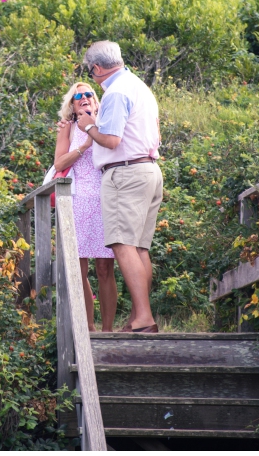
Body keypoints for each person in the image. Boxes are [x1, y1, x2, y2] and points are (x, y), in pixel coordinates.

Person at [76, 41, 162, 334]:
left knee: (121, 244)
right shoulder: (139, 86)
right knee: (139, 247)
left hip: (125, 174)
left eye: (92, 72)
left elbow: (111, 140)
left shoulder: (115, 92)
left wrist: (88, 125)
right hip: (148, 169)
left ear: (97, 69)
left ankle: (144, 319)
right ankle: (141, 316)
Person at [54, 82, 117, 332]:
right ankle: (87, 327)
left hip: (105, 198)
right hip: (78, 200)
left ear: (96, 100)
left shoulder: (106, 121)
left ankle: (108, 330)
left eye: (88, 94)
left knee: (104, 267)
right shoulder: (67, 128)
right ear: (71, 103)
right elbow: (59, 163)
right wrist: (83, 146)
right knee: (79, 268)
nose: (84, 98)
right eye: (77, 96)